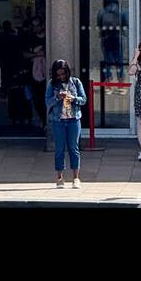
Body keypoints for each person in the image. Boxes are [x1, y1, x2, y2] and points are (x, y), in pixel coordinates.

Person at [45, 58, 87, 188]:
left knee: (74, 149)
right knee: (59, 149)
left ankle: (76, 178)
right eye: (58, 74)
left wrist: (73, 98)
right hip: (58, 120)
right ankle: (59, 178)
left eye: (63, 74)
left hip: (73, 119)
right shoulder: (52, 84)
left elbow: (84, 99)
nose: (61, 77)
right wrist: (57, 97)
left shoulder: (75, 82)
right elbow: (47, 102)